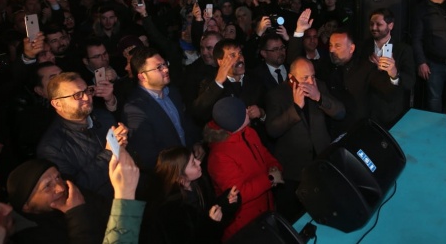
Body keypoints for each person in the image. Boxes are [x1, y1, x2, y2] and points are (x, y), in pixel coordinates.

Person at [265, 57, 345, 222]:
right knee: (295, 216)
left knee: (323, 208)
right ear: (291, 78)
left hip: (320, 162)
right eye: (305, 78)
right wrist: (295, 107)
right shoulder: (276, 95)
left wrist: (319, 98)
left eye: (313, 76)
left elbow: (340, 112)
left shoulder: (319, 86)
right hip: (294, 170)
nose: (310, 82)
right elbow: (272, 130)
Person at [37, 72, 129, 200]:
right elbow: (73, 190)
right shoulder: (52, 148)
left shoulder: (103, 116)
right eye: (77, 95)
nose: (86, 97)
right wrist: (109, 153)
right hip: (104, 205)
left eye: (87, 91)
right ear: (57, 104)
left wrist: (123, 141)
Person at [204, 96, 283, 242]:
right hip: (246, 226)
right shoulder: (219, 157)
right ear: (234, 119)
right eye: (243, 110)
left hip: (266, 210)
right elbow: (238, 194)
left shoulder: (249, 132)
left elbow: (264, 155)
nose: (247, 111)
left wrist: (274, 167)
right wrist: (270, 179)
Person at [122, 47, 202, 173]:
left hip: (190, 164)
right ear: (142, 77)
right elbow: (148, 156)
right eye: (158, 67)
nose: (166, 69)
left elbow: (184, 122)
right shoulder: (135, 109)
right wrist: (180, 168)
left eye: (165, 64)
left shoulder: (172, 92)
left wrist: (195, 143)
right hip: (171, 174)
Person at [140, 146, 240, 244]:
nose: (199, 162)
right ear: (180, 178)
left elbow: (209, 210)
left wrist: (226, 201)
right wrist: (212, 224)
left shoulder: (199, 183)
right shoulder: (171, 210)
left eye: (195, 159)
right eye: (193, 163)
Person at [6, 158, 109, 243]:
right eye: (47, 186)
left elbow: (110, 212)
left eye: (58, 177)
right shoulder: (28, 237)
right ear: (26, 206)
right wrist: (77, 213)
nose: (61, 188)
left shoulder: (71, 192)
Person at [360, 8, 416, 129]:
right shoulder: (363, 46)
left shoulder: (404, 50)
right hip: (366, 110)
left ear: (390, 26)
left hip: (391, 112)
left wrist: (394, 73)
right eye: (371, 24)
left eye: (379, 24)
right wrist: (368, 65)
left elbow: (410, 81)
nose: (374, 28)